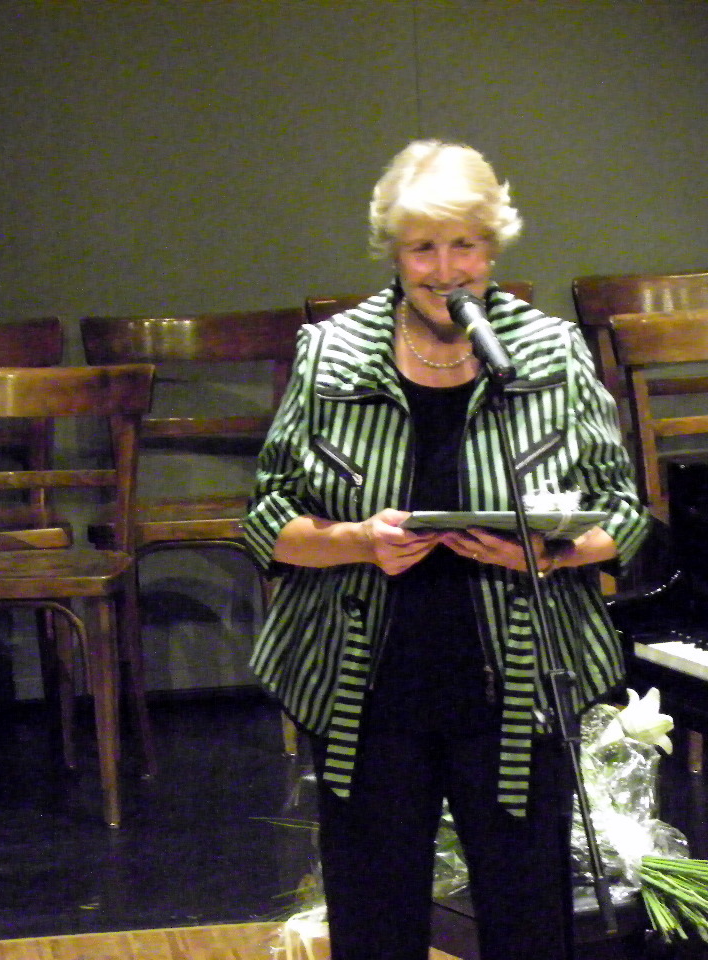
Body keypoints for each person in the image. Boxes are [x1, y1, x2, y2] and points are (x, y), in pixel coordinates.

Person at [243, 140, 649, 960]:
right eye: (422, 247)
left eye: (463, 244)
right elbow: (266, 520)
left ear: (492, 249)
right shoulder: (332, 353)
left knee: (529, 922)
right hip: (364, 683)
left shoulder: (551, 353)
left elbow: (623, 516)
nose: (444, 269)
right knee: (376, 924)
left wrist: (547, 555)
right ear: (393, 252)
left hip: (519, 685)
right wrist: (358, 542)